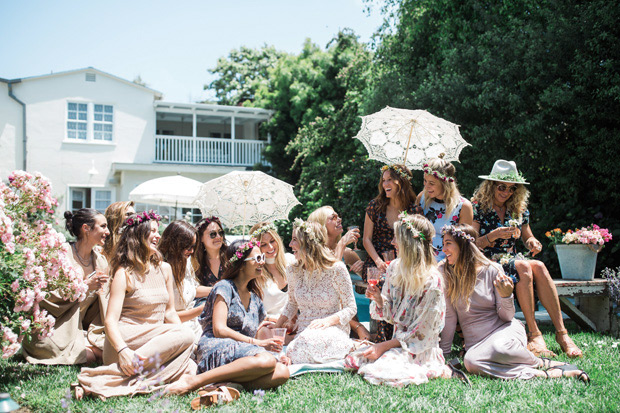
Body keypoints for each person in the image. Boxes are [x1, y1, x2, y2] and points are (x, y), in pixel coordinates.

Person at [439, 224, 589, 382]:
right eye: (443, 244)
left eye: (448, 243)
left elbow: (507, 316)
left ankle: (540, 362)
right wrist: (444, 353)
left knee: (499, 348)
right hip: (476, 345)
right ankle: (546, 372)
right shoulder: (446, 273)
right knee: (471, 363)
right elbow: (449, 317)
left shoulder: (492, 269)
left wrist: (506, 296)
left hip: (504, 330)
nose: (443, 250)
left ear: (463, 245)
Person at [75, 211, 196, 399]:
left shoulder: (165, 269)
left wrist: (182, 343)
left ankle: (114, 379)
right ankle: (97, 379)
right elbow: (110, 321)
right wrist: (123, 351)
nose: (158, 236)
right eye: (153, 231)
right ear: (139, 234)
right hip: (125, 342)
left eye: (158, 231)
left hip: (153, 340)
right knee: (187, 335)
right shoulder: (124, 273)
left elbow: (170, 313)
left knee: (191, 368)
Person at [471, 160, 582, 358]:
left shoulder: (517, 209)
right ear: (491, 186)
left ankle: (561, 333)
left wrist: (532, 242)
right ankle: (533, 333)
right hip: (486, 262)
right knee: (523, 265)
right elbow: (471, 245)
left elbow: (527, 235)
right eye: (502, 187)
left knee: (538, 265)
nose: (506, 192)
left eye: (512, 189)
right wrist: (494, 235)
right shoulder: (477, 208)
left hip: (511, 259)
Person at [346, 213, 461, 387]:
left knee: (384, 371)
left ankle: (438, 368)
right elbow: (391, 316)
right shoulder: (394, 268)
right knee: (353, 360)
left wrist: (383, 346)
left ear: (409, 242)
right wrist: (378, 299)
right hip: (396, 343)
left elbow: (422, 333)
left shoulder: (432, 280)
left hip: (419, 349)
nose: (392, 243)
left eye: (396, 238)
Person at [166, 239, 289, 399]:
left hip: (241, 353)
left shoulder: (256, 300)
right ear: (242, 264)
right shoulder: (224, 287)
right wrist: (258, 344)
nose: (262, 263)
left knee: (282, 371)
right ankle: (194, 381)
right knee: (266, 361)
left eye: (263, 258)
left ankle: (225, 385)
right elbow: (219, 329)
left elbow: (252, 335)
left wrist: (274, 349)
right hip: (216, 347)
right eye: (257, 258)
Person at [22, 209, 110, 365]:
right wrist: (84, 286)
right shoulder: (61, 257)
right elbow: (46, 299)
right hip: (52, 331)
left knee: (105, 353)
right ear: (86, 228)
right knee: (91, 356)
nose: (107, 232)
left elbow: (97, 308)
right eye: (103, 226)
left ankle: (85, 343)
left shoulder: (101, 262)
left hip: (79, 329)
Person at [273, 219, 357, 364]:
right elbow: (292, 304)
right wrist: (275, 327)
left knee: (298, 349)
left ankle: (349, 347)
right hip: (304, 332)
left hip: (332, 329)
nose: (290, 245)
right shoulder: (292, 270)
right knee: (296, 347)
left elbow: (351, 308)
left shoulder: (337, 269)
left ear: (308, 244)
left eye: (294, 240)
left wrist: (327, 321)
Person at [362, 163, 421, 342]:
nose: (385, 184)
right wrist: (379, 261)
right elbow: (366, 239)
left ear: (400, 183)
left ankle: (403, 336)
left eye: (390, 180)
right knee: (382, 286)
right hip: (376, 260)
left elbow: (418, 241)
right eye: (384, 180)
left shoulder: (414, 210)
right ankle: (384, 339)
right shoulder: (375, 206)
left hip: (404, 262)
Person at [308, 206, 371, 341]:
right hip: (323, 319)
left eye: (338, 216)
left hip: (347, 315)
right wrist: (342, 243)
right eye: (333, 218)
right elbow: (327, 284)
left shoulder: (347, 252)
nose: (339, 219)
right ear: (321, 225)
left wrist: (362, 270)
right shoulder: (313, 255)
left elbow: (369, 279)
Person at [417, 156, 473, 260]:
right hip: (421, 257)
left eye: (431, 183)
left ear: (445, 184)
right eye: (425, 181)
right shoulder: (422, 198)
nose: (426, 187)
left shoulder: (463, 206)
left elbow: (464, 245)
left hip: (448, 261)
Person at [248, 223, 296, 342]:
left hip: (295, 321)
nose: (270, 247)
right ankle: (293, 341)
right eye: (264, 244)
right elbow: (252, 311)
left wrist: (292, 319)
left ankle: (292, 340)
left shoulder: (290, 260)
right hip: (270, 324)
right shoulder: (255, 274)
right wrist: (275, 320)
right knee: (264, 334)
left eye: (272, 241)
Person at [159, 220, 204, 342]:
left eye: (193, 246)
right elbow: (165, 316)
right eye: (188, 247)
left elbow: (192, 289)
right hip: (174, 331)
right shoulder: (160, 269)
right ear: (175, 244)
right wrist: (201, 309)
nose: (192, 251)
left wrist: (217, 288)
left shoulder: (186, 261)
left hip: (195, 327)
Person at [194, 216, 228, 297]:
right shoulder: (195, 261)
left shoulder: (232, 257)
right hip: (204, 305)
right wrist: (220, 289)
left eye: (221, 233)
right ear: (201, 238)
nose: (218, 237)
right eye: (213, 234)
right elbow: (192, 291)